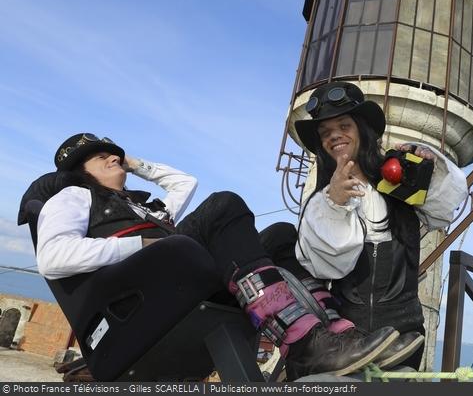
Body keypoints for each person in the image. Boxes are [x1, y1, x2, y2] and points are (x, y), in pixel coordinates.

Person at [35, 133, 400, 379]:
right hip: (142, 300)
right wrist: (139, 245)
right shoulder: (74, 197)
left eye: (113, 153)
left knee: (280, 236)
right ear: (80, 172)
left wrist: (133, 163)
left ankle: (329, 333)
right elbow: (52, 257)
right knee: (224, 204)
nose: (113, 157)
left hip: (174, 277)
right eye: (102, 157)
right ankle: (300, 342)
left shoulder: (140, 206)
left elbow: (185, 183)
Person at [291, 81, 469, 369]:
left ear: (362, 129)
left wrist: (428, 166)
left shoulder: (399, 183)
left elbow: (444, 209)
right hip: (349, 338)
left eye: (344, 126)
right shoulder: (321, 203)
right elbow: (326, 267)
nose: (334, 135)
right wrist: (334, 203)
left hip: (405, 335)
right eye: (325, 133)